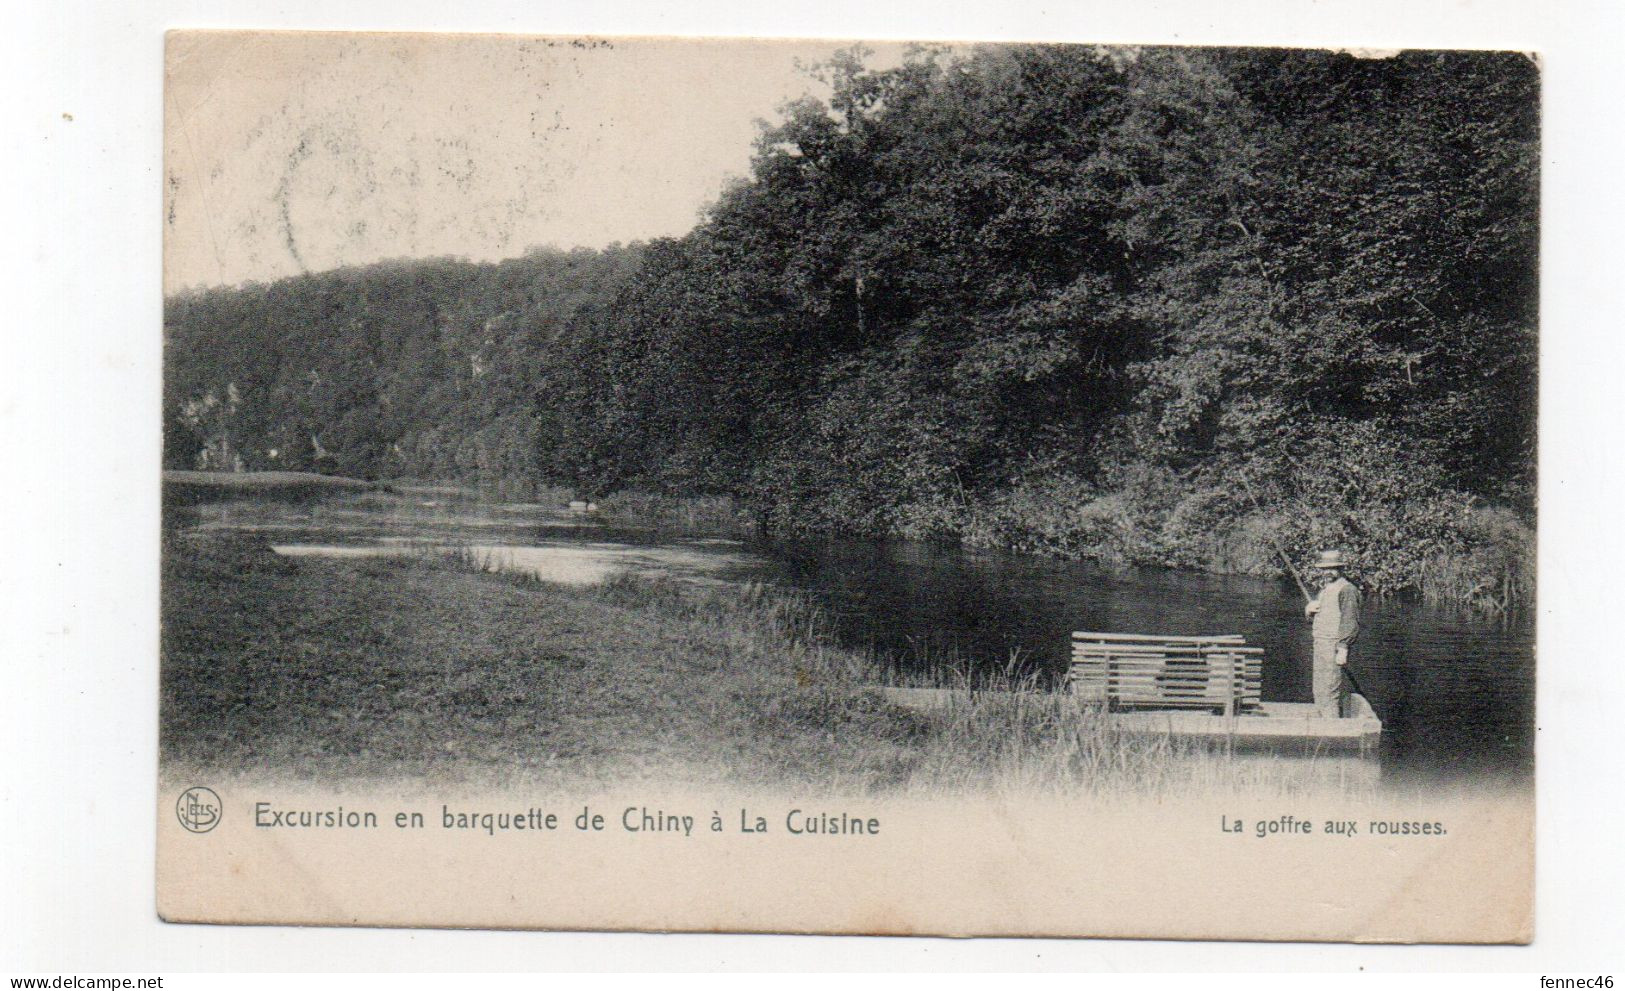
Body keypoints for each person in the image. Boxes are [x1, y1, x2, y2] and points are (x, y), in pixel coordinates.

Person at [1304, 549, 1361, 718]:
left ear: (1341, 569)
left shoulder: (1347, 589)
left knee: (1330, 690)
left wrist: (1343, 648)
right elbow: (1320, 617)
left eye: (1332, 568)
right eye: (1324, 569)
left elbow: (1350, 620)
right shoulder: (1325, 589)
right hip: (1320, 643)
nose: (1327, 572)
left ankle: (1332, 729)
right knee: (1319, 688)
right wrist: (1309, 611)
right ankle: (1321, 724)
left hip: (1333, 645)